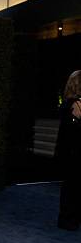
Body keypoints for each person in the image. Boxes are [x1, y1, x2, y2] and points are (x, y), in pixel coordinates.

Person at [55, 70, 81, 231]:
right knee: (73, 186)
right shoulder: (74, 104)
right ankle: (69, 219)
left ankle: (68, 219)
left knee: (71, 186)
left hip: (70, 151)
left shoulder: (67, 103)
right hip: (74, 152)